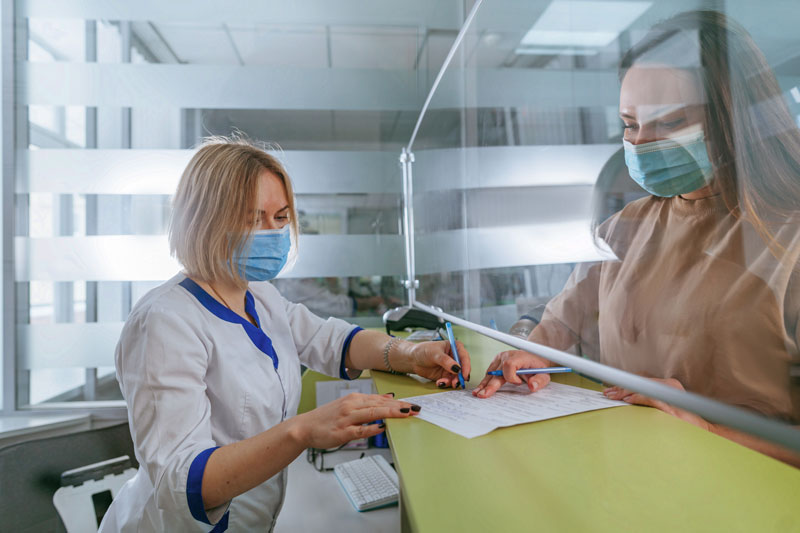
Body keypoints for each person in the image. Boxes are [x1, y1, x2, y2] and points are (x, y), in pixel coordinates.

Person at [473, 10, 800, 466]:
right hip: (627, 470)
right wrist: (535, 353)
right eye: (630, 125)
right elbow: (564, 323)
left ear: (734, 120)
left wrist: (706, 429)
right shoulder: (624, 229)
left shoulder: (789, 237)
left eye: (668, 123)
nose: (643, 143)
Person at [99, 136, 471, 531]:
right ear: (202, 218)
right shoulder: (164, 321)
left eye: (280, 217)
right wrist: (302, 432)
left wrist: (410, 354)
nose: (271, 232)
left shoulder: (259, 296)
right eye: (250, 218)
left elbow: (333, 342)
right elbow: (182, 482)